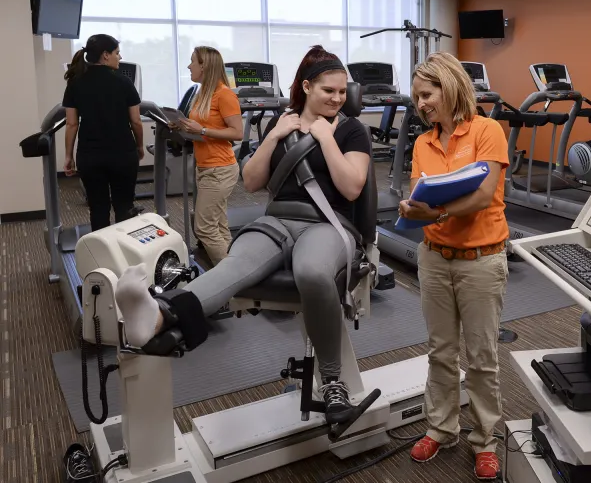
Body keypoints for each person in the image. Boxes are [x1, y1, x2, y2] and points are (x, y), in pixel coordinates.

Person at [113, 45, 372, 422]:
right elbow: (251, 182)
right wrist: (274, 136)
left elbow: (351, 188)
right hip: (277, 221)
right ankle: (158, 315)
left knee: (313, 272)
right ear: (307, 87)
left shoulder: (351, 130)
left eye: (341, 91)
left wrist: (326, 137)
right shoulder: (281, 124)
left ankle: (333, 383)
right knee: (232, 266)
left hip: (327, 223)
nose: (336, 98)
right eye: (328, 90)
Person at [397, 52, 510, 480]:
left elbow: (484, 194)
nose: (421, 104)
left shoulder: (486, 130)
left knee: (481, 356)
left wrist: (440, 212)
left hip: (480, 260)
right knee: (440, 351)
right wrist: (412, 207)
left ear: (449, 87)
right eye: (416, 98)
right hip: (434, 258)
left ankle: (485, 440)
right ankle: (441, 428)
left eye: (427, 94)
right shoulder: (423, 143)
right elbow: (417, 194)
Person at [63, 34, 145, 231]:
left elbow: (71, 124)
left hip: (90, 156)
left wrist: (68, 156)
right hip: (123, 154)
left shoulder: (75, 83)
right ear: (106, 55)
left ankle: (101, 249)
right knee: (124, 207)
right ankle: (125, 248)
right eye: (117, 53)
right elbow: (136, 121)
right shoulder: (124, 82)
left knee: (98, 208)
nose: (120, 57)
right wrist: (140, 146)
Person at [180, 46, 244, 266]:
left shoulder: (224, 94)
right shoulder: (203, 93)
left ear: (204, 66)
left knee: (204, 228)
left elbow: (237, 133)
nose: (189, 66)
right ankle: (237, 266)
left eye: (192, 62)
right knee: (218, 225)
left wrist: (203, 130)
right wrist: (182, 126)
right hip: (205, 167)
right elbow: (201, 126)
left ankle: (229, 275)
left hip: (220, 169)